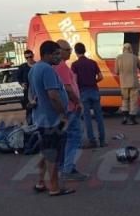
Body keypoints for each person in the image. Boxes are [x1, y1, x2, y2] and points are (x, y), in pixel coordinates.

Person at [29, 40, 74, 196]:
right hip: (51, 120)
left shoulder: (34, 69)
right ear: (47, 54)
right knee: (53, 154)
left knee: (46, 151)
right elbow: (53, 96)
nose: (59, 57)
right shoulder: (47, 70)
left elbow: (32, 94)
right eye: (55, 54)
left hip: (41, 118)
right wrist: (63, 114)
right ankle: (54, 187)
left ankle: (41, 182)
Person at [54, 39, 88, 181]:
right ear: (60, 51)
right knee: (74, 137)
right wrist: (78, 102)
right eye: (68, 50)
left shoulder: (59, 66)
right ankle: (67, 168)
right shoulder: (61, 66)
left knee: (66, 138)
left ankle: (65, 167)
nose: (70, 52)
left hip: (66, 108)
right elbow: (67, 88)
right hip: (70, 108)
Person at [71, 42, 105, 148]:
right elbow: (100, 77)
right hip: (94, 90)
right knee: (99, 117)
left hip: (83, 92)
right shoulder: (93, 62)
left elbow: (75, 80)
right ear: (84, 50)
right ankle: (102, 140)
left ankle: (92, 141)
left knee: (87, 118)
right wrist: (93, 81)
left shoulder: (75, 65)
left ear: (76, 52)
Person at [115, 43, 140, 125]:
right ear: (130, 48)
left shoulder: (118, 57)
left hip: (123, 83)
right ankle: (132, 119)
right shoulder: (135, 57)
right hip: (133, 83)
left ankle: (125, 117)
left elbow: (116, 72)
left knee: (125, 100)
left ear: (123, 49)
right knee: (133, 101)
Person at [17, 49, 36, 124]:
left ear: (33, 56)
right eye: (27, 58)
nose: (29, 59)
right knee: (29, 110)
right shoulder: (22, 67)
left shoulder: (38, 65)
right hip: (27, 91)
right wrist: (22, 83)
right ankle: (29, 125)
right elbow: (18, 77)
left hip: (37, 91)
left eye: (30, 57)